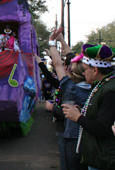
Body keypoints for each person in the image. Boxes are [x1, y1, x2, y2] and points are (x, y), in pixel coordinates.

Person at [62, 43, 115, 170]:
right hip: (101, 158)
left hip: (107, 161)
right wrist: (82, 113)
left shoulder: (111, 92)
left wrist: (78, 117)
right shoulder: (103, 86)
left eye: (84, 69)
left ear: (94, 70)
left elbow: (102, 128)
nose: (83, 74)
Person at [36, 28, 90, 170]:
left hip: (71, 137)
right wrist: (60, 41)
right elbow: (67, 58)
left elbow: (59, 64)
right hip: (88, 136)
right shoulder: (94, 87)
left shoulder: (70, 88)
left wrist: (52, 42)